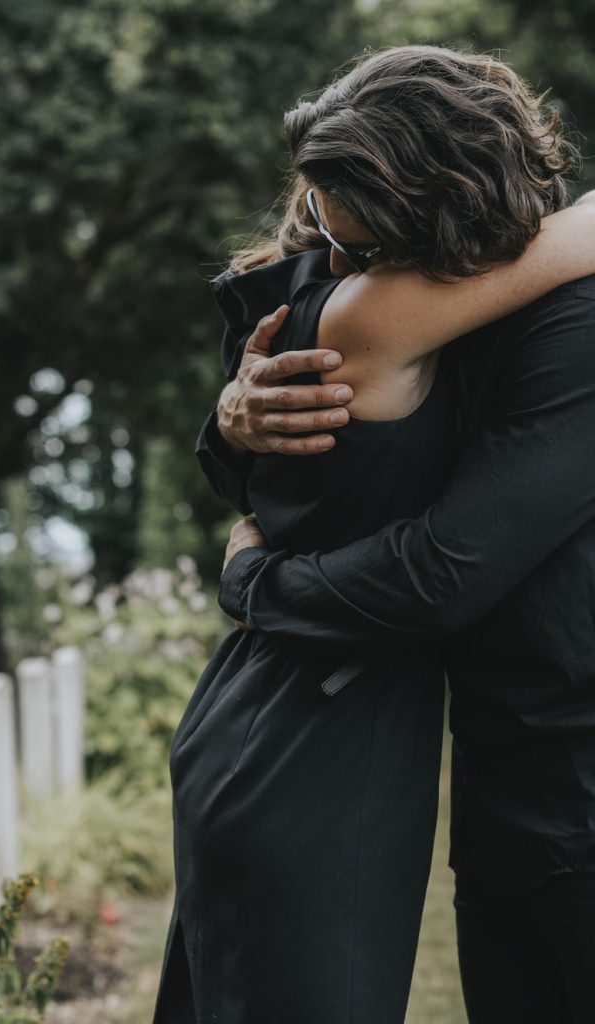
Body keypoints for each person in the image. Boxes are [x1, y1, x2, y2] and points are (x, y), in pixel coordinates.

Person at [154, 46, 595, 1024]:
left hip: (550, 783)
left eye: (359, 248)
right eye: (324, 230)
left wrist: (253, 581)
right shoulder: (395, 299)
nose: (335, 270)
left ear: (443, 218)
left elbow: (437, 571)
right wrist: (229, 422)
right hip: (469, 786)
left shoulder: (557, 319)